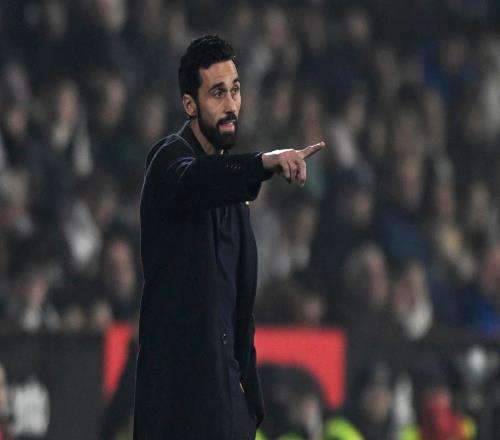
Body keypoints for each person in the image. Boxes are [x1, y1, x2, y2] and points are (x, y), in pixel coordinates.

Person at [133, 35, 324, 440]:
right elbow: (197, 180)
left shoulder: (236, 198)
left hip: (228, 406)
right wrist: (263, 163)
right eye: (217, 93)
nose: (231, 105)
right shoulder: (168, 161)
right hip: (178, 408)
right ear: (190, 105)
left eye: (235, 90)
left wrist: (248, 404)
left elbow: (237, 308)